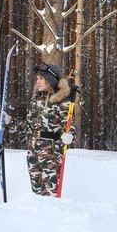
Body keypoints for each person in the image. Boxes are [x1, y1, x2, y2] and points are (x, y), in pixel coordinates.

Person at [20, 62, 75, 196]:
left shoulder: (61, 100)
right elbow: (28, 126)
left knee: (50, 194)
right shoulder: (36, 99)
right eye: (37, 78)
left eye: (41, 78)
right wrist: (8, 121)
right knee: (36, 195)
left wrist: (70, 135)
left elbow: (69, 125)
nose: (37, 81)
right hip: (33, 151)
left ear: (50, 80)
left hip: (51, 153)